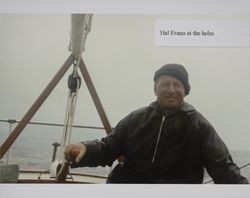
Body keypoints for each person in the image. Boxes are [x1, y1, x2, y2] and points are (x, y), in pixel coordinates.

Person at [64, 63, 249, 184]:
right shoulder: (135, 119)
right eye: (165, 84)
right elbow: (108, 147)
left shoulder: (199, 126)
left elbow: (223, 168)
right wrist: (85, 148)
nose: (171, 90)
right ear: (155, 89)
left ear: (185, 91)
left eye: (177, 85)